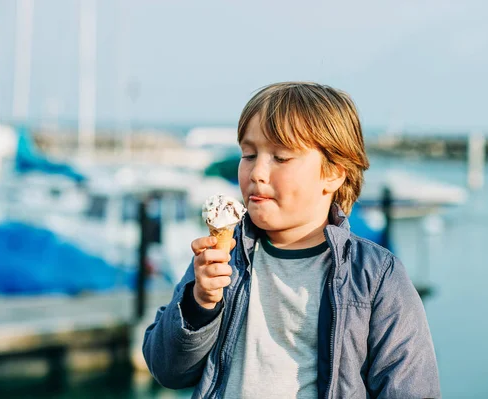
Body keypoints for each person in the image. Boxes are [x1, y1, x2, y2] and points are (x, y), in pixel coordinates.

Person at [142, 82, 441, 398]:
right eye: (248, 154)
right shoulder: (222, 260)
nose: (257, 171)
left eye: (281, 157)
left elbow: (411, 389)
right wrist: (198, 304)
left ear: (333, 174)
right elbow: (166, 369)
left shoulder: (376, 276)